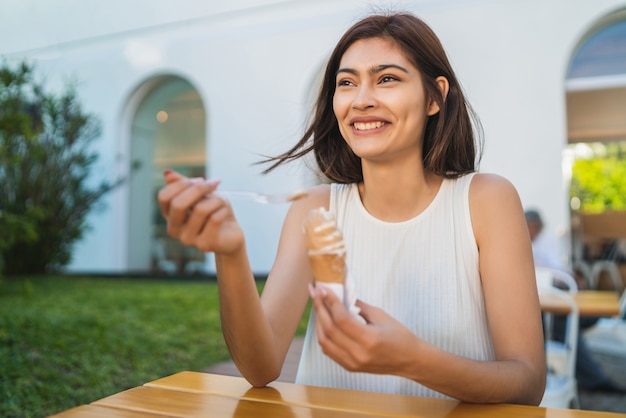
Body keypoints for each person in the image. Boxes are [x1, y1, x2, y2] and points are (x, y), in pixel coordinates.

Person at [158, 12, 546, 405]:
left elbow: (526, 382)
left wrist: (412, 359)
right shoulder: (313, 210)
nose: (361, 100)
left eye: (387, 79)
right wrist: (231, 253)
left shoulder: (486, 200)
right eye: (347, 83)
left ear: (435, 96)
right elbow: (261, 369)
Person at [525, 209, 626, 394]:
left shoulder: (545, 240)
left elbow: (555, 266)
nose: (532, 230)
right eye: (529, 226)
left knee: (565, 320)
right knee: (565, 321)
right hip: (540, 303)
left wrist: (570, 278)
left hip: (551, 297)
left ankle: (588, 378)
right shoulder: (521, 243)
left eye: (534, 227)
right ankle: (594, 379)